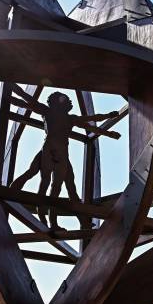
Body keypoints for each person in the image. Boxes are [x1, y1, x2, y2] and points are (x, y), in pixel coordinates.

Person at [10, 91, 117, 230]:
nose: (66, 102)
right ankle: (46, 217)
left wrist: (108, 126)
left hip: (59, 153)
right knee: (48, 183)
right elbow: (28, 101)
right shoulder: (49, 112)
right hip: (52, 151)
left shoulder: (67, 118)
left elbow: (90, 122)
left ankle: (74, 222)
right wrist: (13, 93)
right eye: (63, 100)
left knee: (61, 186)